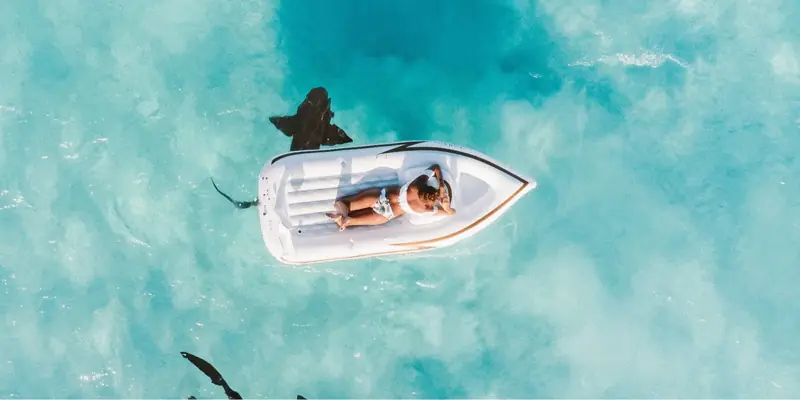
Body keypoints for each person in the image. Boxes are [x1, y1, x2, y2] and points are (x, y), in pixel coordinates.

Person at [326, 164, 455, 231]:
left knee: (343, 203)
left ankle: (341, 213)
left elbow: (435, 167)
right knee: (350, 222)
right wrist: (446, 207)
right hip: (386, 214)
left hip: (381, 197)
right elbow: (449, 213)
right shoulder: (423, 209)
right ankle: (343, 220)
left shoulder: (417, 185)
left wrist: (442, 187)